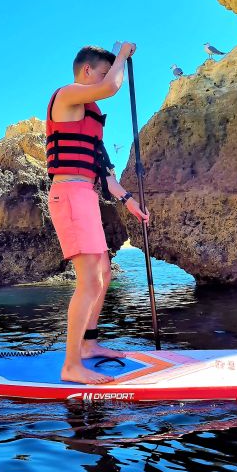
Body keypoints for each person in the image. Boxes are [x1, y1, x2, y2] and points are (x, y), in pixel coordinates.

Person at [46, 43, 150, 385]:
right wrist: (122, 54)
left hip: (86, 195)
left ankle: (88, 347)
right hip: (69, 194)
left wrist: (128, 200)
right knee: (89, 281)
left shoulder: (90, 119)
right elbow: (111, 87)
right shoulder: (66, 96)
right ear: (87, 72)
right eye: (103, 72)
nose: (108, 79)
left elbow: (105, 172)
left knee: (103, 275)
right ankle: (71, 365)